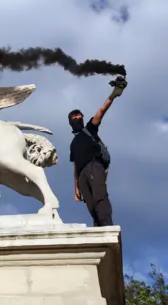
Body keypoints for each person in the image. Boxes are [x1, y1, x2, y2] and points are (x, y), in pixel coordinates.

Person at [69, 77, 127, 227]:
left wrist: (113, 95)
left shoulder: (89, 129)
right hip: (82, 175)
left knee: (100, 197)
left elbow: (101, 112)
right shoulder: (73, 143)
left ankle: (107, 226)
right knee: (91, 205)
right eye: (74, 117)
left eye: (79, 116)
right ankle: (98, 229)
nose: (77, 118)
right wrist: (76, 187)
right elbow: (75, 164)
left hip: (94, 165)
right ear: (71, 121)